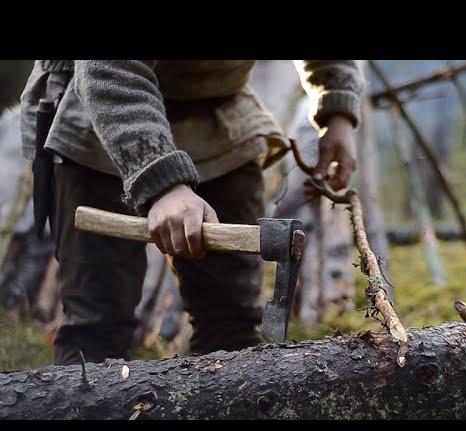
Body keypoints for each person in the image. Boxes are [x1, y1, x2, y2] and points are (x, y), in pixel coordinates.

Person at [20, 60, 364, 365]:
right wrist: (162, 181)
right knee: (95, 329)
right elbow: (109, 70)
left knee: (231, 330)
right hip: (103, 118)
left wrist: (337, 107)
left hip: (222, 122)